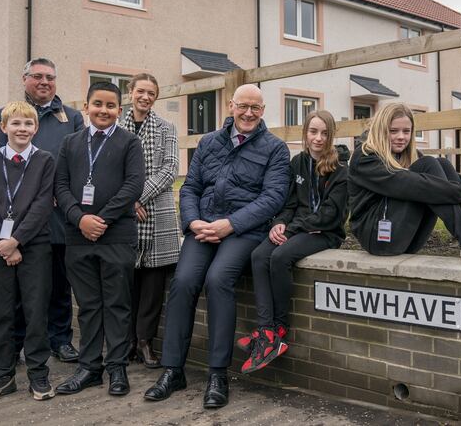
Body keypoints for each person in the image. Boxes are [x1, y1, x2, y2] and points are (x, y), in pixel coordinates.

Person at [144, 84, 290, 410]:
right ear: (231, 105)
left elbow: (272, 198)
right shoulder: (209, 142)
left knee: (218, 279)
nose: (249, 113)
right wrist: (193, 221)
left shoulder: (275, 149)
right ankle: (173, 369)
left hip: (244, 231)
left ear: (263, 111)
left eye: (256, 107)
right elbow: (191, 186)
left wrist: (231, 224)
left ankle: (217, 374)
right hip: (203, 227)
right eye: (243, 106)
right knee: (183, 282)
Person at [0, 58, 84, 364]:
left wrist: (62, 194)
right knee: (17, 289)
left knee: (58, 285)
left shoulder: (70, 117)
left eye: (50, 77)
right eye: (38, 76)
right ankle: (15, 343)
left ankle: (60, 340)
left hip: (57, 217)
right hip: (17, 219)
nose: (45, 82)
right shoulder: (10, 114)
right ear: (25, 78)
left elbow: (79, 163)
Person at [240, 110, 348, 374]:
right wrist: (279, 223)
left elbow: (330, 214)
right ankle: (266, 331)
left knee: (279, 258)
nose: (318, 138)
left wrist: (292, 229)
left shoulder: (341, 170)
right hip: (297, 229)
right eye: (313, 132)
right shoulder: (297, 163)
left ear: (331, 135)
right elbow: (289, 204)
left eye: (324, 133)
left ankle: (279, 328)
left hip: (324, 232)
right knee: (258, 255)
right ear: (305, 133)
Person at [54, 81, 145, 397]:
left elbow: (133, 186)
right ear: (86, 107)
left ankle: (117, 366)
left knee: (117, 304)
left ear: (120, 110)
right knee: (89, 305)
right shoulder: (70, 143)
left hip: (116, 236)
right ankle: (89, 368)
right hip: (78, 238)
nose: (103, 110)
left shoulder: (130, 143)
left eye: (110, 106)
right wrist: (80, 219)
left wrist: (102, 220)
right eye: (98, 104)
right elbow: (60, 186)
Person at [348, 102, 461, 262]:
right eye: (393, 131)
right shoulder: (365, 157)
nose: (401, 137)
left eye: (407, 131)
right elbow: (407, 183)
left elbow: (453, 179)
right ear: (380, 130)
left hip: (409, 238)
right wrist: (459, 194)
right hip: (378, 239)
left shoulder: (410, 156)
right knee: (428, 167)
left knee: (440, 163)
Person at [0, 101, 56, 403]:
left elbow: (42, 204)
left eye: (28, 124)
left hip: (34, 247)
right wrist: (4, 245)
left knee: (35, 312)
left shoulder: (45, 160)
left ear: (36, 128)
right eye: (16, 124)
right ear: (4, 127)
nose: (22, 129)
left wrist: (17, 240)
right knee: (2, 313)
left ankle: (37, 370)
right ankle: (2, 373)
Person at [121, 74, 180, 369]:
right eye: (140, 91)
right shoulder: (116, 126)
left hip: (157, 214)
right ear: (130, 92)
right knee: (127, 282)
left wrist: (139, 197)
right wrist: (128, 202)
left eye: (151, 93)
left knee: (153, 285)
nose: (145, 97)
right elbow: (110, 169)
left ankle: (145, 341)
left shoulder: (167, 128)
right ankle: (127, 341)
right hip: (124, 215)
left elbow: (170, 169)